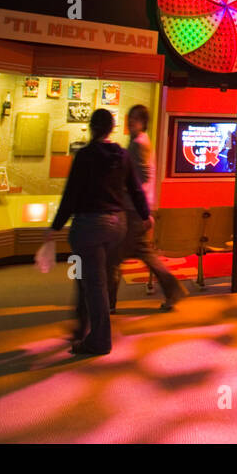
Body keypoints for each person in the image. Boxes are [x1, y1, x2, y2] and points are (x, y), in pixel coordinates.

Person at [47, 109, 145, 356]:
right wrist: (146, 214)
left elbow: (71, 195)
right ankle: (83, 327)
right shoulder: (122, 155)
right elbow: (135, 189)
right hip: (117, 225)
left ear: (92, 127)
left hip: (90, 226)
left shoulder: (85, 156)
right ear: (112, 128)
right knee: (94, 279)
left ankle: (99, 340)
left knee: (93, 283)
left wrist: (55, 226)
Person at [109, 104, 186, 310]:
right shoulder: (138, 142)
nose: (130, 121)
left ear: (143, 122)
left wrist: (124, 191)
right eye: (130, 117)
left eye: (135, 118)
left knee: (115, 255)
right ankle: (173, 289)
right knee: (142, 253)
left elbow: (141, 177)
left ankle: (108, 303)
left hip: (134, 210)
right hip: (137, 208)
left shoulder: (138, 144)